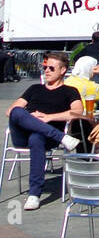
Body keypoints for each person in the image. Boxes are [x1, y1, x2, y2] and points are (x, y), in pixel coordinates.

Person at [5, 52, 82, 209]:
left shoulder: (70, 91)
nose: (46, 70)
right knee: (17, 112)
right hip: (22, 134)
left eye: (51, 68)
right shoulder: (34, 88)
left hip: (45, 139)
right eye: (45, 67)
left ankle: (34, 195)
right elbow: (10, 111)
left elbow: (77, 112)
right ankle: (62, 137)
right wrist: (32, 118)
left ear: (62, 70)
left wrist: (48, 117)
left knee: (36, 138)